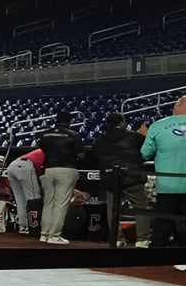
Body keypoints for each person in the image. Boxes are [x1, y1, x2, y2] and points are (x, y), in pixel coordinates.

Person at [93, 112, 151, 247]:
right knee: (140, 207)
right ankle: (142, 240)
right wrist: (145, 133)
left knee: (112, 208)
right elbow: (148, 148)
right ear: (121, 123)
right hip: (132, 177)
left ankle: (117, 238)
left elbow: (95, 158)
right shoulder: (133, 136)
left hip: (110, 178)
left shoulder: (100, 140)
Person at [142, 97, 186, 257]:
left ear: (175, 107)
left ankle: (155, 255)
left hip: (167, 184)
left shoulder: (158, 126)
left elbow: (145, 153)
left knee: (163, 220)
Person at [36, 111, 84, 245]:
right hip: (66, 169)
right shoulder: (73, 135)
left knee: (48, 203)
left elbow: (43, 149)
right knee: (61, 204)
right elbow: (81, 154)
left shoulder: (44, 134)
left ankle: (44, 234)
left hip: (48, 169)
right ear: (69, 121)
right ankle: (54, 235)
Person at [1, 144, 44, 234]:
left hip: (12, 166)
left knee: (20, 201)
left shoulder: (41, 151)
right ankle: (34, 226)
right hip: (25, 166)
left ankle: (23, 227)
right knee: (34, 199)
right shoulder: (50, 153)